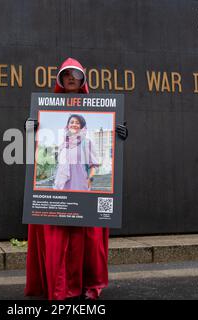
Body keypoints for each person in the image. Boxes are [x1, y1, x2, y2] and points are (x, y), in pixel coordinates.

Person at [24, 57, 127, 301]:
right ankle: (58, 287)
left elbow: (95, 162)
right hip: (61, 187)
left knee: (86, 236)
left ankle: (88, 284)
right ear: (60, 79)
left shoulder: (89, 137)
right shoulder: (50, 119)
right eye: (66, 74)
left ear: (83, 79)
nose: (71, 78)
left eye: (76, 74)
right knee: (58, 235)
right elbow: (37, 152)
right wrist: (30, 130)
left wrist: (119, 135)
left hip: (81, 187)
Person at [53, 114, 99, 191]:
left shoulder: (86, 142)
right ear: (68, 125)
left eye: (77, 123)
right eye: (71, 122)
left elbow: (94, 165)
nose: (74, 124)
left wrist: (89, 179)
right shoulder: (63, 144)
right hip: (62, 186)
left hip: (79, 185)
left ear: (81, 126)